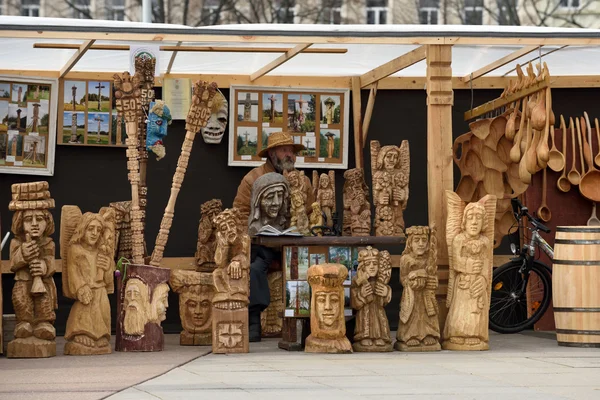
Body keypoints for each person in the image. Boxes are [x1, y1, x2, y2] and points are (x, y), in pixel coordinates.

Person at [233, 131, 314, 342]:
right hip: (264, 245)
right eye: (284, 150)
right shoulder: (253, 179)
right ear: (271, 153)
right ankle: (253, 321)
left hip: (296, 242)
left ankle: (308, 324)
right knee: (255, 267)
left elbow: (312, 211)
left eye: (292, 151)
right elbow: (240, 213)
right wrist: (255, 233)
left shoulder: (302, 181)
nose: (289, 155)